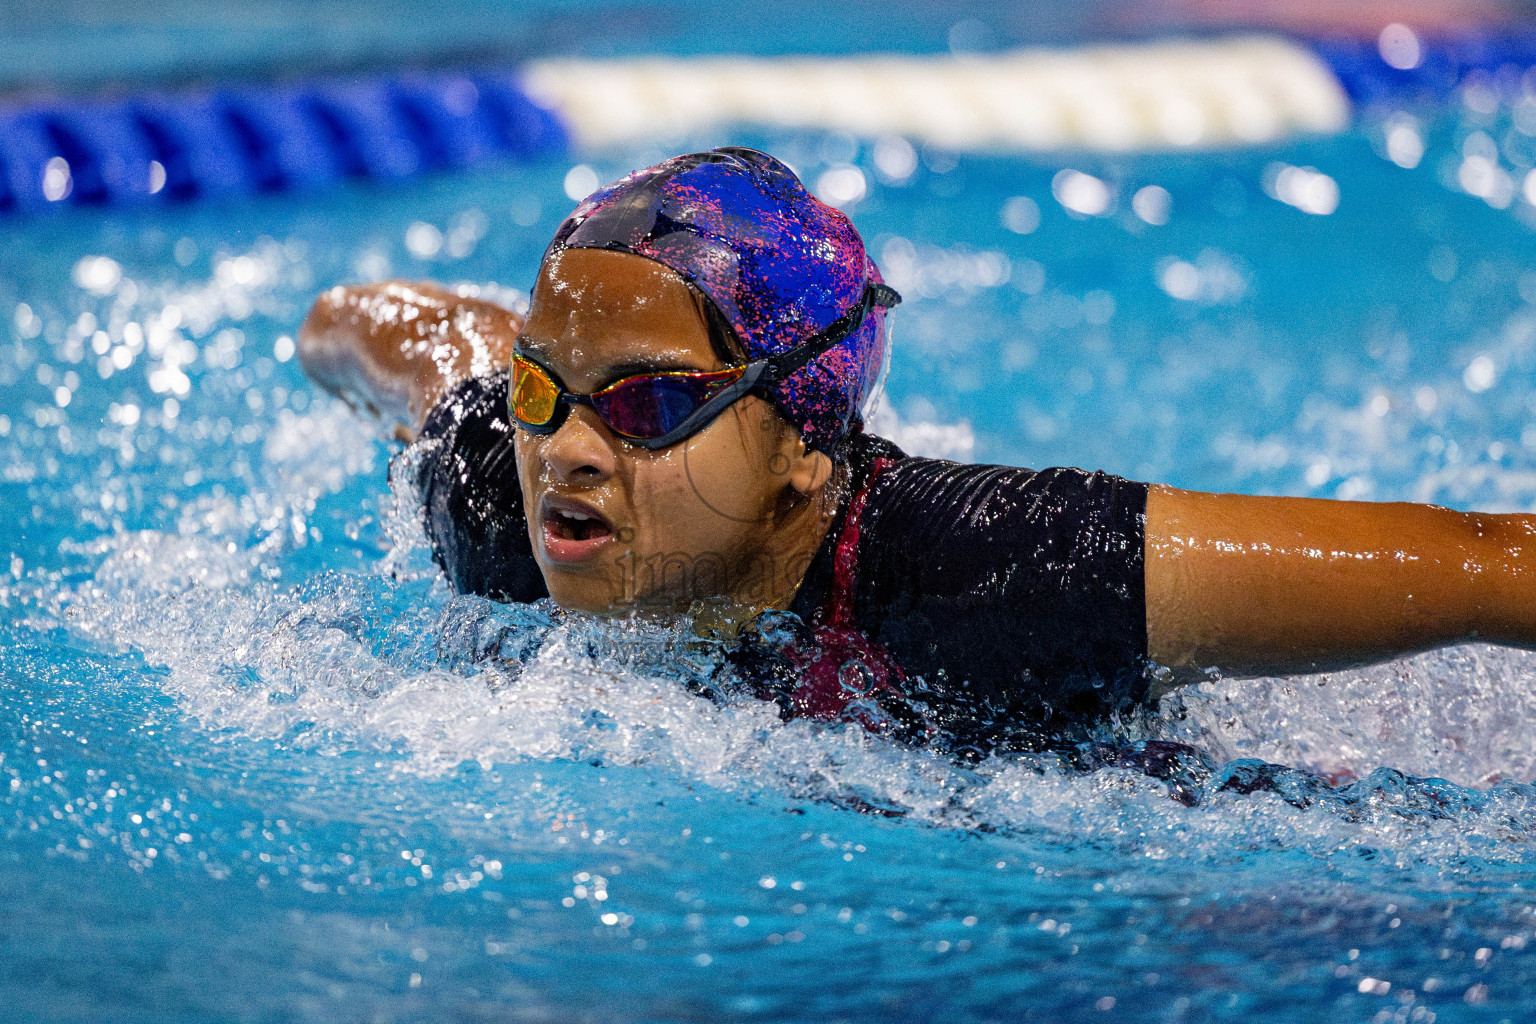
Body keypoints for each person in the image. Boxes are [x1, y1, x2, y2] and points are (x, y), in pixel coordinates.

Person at [299, 146, 1536, 752]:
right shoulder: (502, 500)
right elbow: (379, 334)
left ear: (801, 442)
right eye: (543, 389)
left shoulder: (992, 574)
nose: (564, 449)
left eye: (644, 405)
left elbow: (1486, 562)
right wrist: (343, 335)